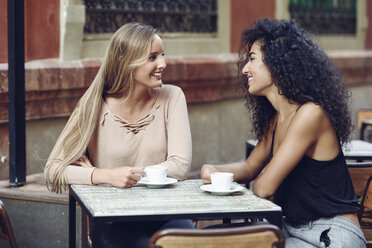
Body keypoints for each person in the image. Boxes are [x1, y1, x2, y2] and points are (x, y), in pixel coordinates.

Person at [201, 18, 367, 248]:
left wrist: (258, 189)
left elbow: (264, 187)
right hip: (291, 228)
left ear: (278, 62)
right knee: (213, 240)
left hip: (331, 232)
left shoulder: (311, 114)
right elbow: (250, 168)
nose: (244, 69)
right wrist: (213, 170)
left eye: (252, 59)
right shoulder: (276, 119)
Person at [45, 22, 194, 247]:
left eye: (162, 55)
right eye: (152, 57)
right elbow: (53, 169)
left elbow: (180, 166)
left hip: (167, 211)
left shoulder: (172, 97)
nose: (163, 63)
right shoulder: (92, 106)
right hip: (113, 219)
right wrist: (105, 176)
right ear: (127, 62)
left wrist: (129, 177)